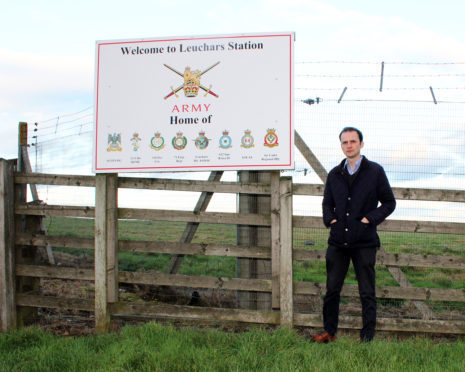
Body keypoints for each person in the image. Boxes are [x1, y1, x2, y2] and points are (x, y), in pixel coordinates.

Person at [312, 127, 396, 343]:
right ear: (341, 145)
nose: (348, 145)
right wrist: (330, 219)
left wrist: (369, 219)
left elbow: (389, 202)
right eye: (344, 142)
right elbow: (327, 203)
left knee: (367, 292)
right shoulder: (334, 174)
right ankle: (329, 333)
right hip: (338, 242)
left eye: (353, 141)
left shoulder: (375, 171)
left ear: (361, 144)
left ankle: (367, 337)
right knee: (332, 290)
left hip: (364, 241)